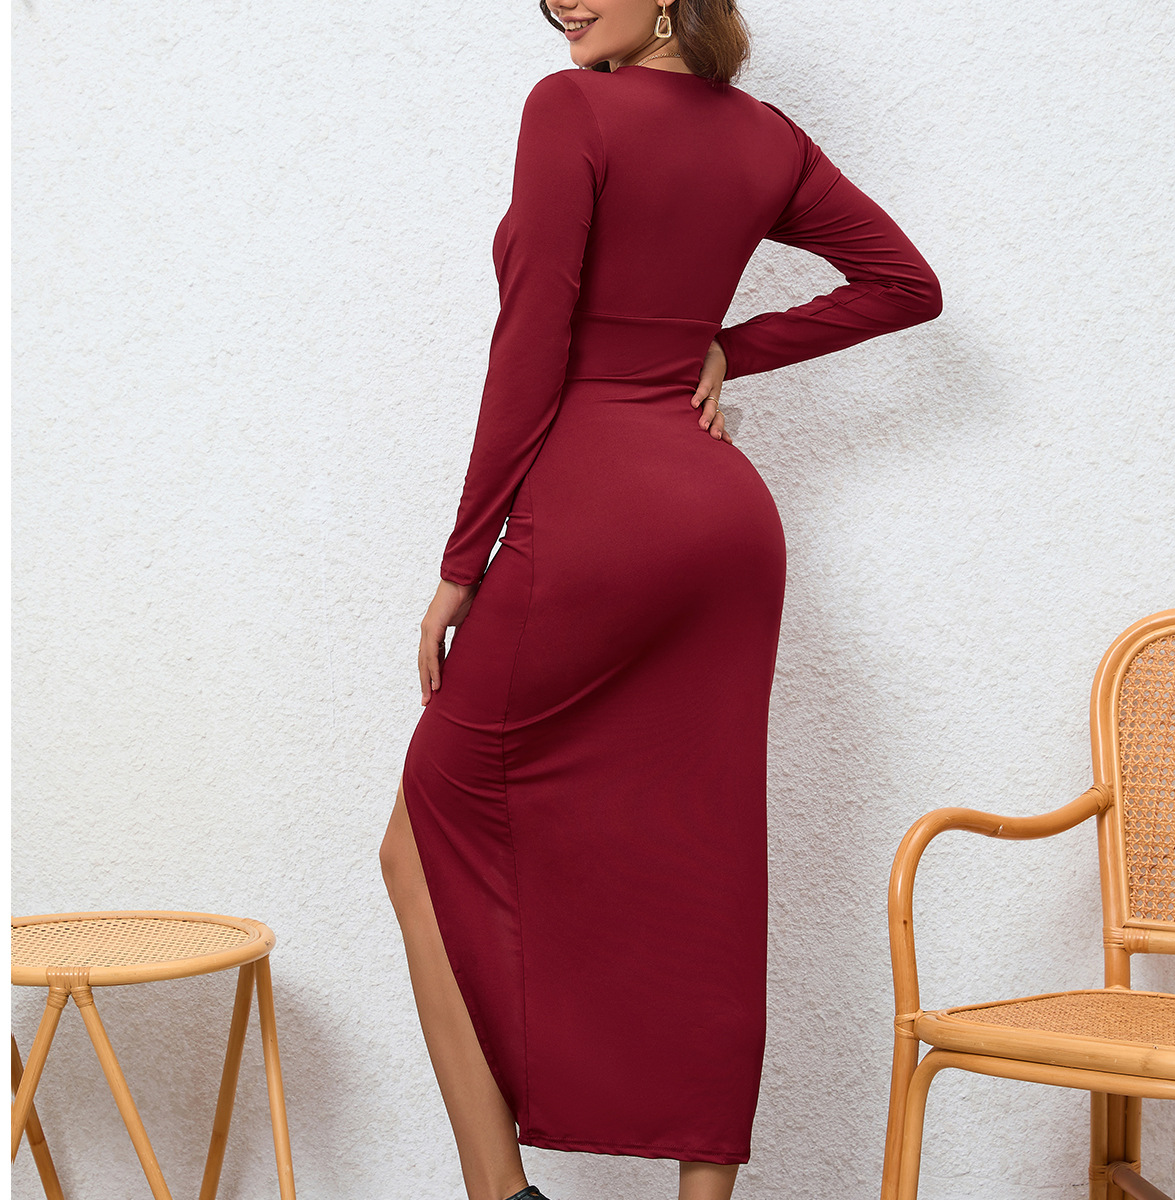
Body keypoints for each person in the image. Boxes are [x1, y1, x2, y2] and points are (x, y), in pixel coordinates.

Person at [379, 1, 942, 1197]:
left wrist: (463, 560)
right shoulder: (769, 138)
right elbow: (905, 284)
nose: (562, 5)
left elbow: (531, 343)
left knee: (421, 837)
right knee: (705, 863)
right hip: (725, 524)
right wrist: (728, 348)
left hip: (591, 518)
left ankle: (501, 1195)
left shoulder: (570, 109)